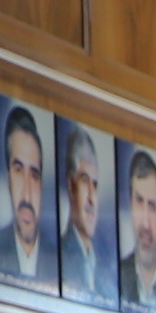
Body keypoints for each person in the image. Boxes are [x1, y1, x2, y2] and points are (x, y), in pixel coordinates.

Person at [0, 102, 57, 289]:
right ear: (8, 178)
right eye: (19, 170)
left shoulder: (58, 261)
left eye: (34, 175)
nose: (27, 194)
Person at [117, 148, 156, 313]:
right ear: (130, 207)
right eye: (139, 202)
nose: (145, 222)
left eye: (152, 207)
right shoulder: (115, 277)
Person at [58, 125, 110, 301]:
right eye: (84, 181)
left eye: (94, 185)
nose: (91, 199)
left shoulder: (105, 270)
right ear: (71, 186)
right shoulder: (58, 258)